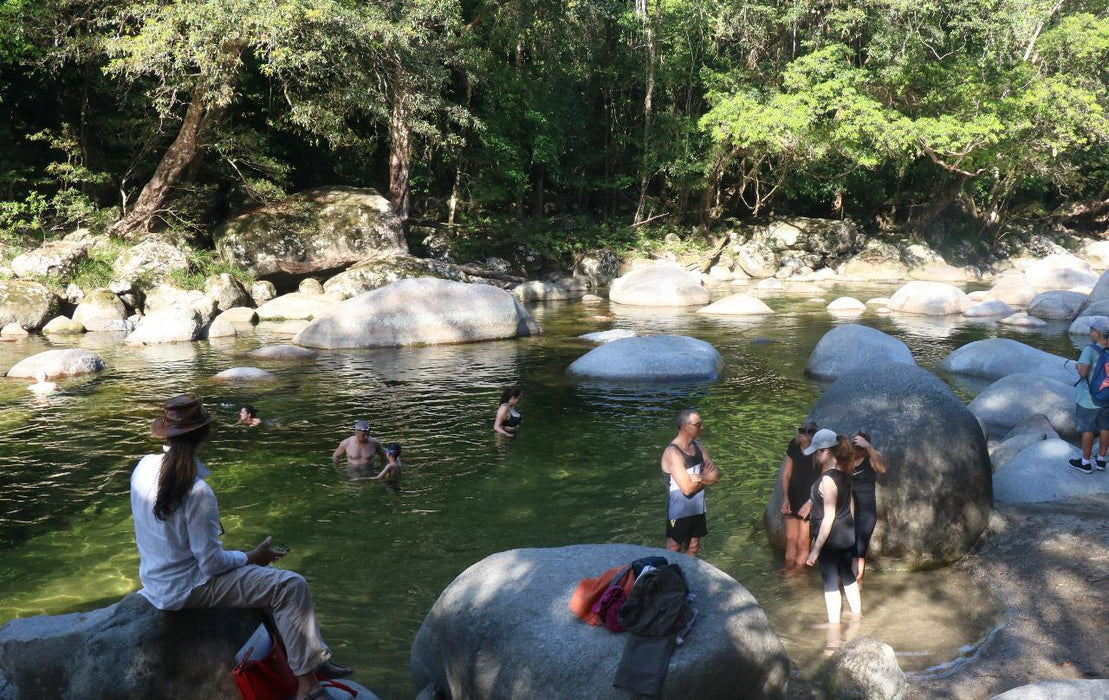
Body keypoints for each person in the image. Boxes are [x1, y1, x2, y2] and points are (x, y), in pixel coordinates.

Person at [130, 394, 351, 700]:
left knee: (262, 582)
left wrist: (245, 561)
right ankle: (308, 686)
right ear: (204, 435)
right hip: (186, 587)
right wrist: (252, 557)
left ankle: (309, 659)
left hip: (156, 581)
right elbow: (211, 566)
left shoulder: (142, 467)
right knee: (290, 585)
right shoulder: (197, 491)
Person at [804, 429, 861, 627]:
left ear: (827, 451)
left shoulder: (828, 480)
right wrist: (851, 528)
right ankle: (857, 616)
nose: (816, 456)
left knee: (829, 581)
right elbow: (851, 505)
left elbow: (828, 518)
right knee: (847, 574)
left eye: (817, 452)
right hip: (846, 534)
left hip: (831, 538)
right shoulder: (845, 473)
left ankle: (833, 629)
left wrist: (815, 550)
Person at [660, 409, 719, 557]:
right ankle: (667, 577)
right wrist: (706, 477)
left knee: (693, 547)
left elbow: (715, 476)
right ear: (685, 427)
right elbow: (686, 489)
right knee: (674, 547)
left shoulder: (699, 447)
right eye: (698, 425)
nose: (702, 428)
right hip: (677, 510)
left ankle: (688, 577)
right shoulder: (673, 452)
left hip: (697, 507)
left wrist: (697, 477)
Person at [779, 421, 819, 574]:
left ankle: (799, 574)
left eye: (810, 434)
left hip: (809, 500)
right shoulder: (794, 445)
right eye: (803, 434)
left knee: (803, 541)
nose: (806, 438)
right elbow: (787, 474)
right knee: (791, 538)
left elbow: (823, 476)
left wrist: (812, 501)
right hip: (793, 496)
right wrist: (785, 498)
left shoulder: (819, 450)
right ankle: (789, 568)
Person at [1070, 318, 1109, 474]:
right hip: (1107, 398)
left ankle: (1085, 463)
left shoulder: (1090, 349)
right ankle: (1101, 460)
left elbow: (1083, 372)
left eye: (1092, 330)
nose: (1090, 333)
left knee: (1088, 429)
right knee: (1106, 427)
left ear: (1098, 333)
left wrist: (1078, 365)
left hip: (1089, 399)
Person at [849, 430, 887, 583]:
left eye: (858, 449)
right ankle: (849, 585)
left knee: (859, 551)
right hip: (849, 512)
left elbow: (883, 469)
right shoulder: (848, 458)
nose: (854, 452)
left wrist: (869, 448)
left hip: (866, 514)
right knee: (848, 549)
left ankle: (856, 584)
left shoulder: (871, 457)